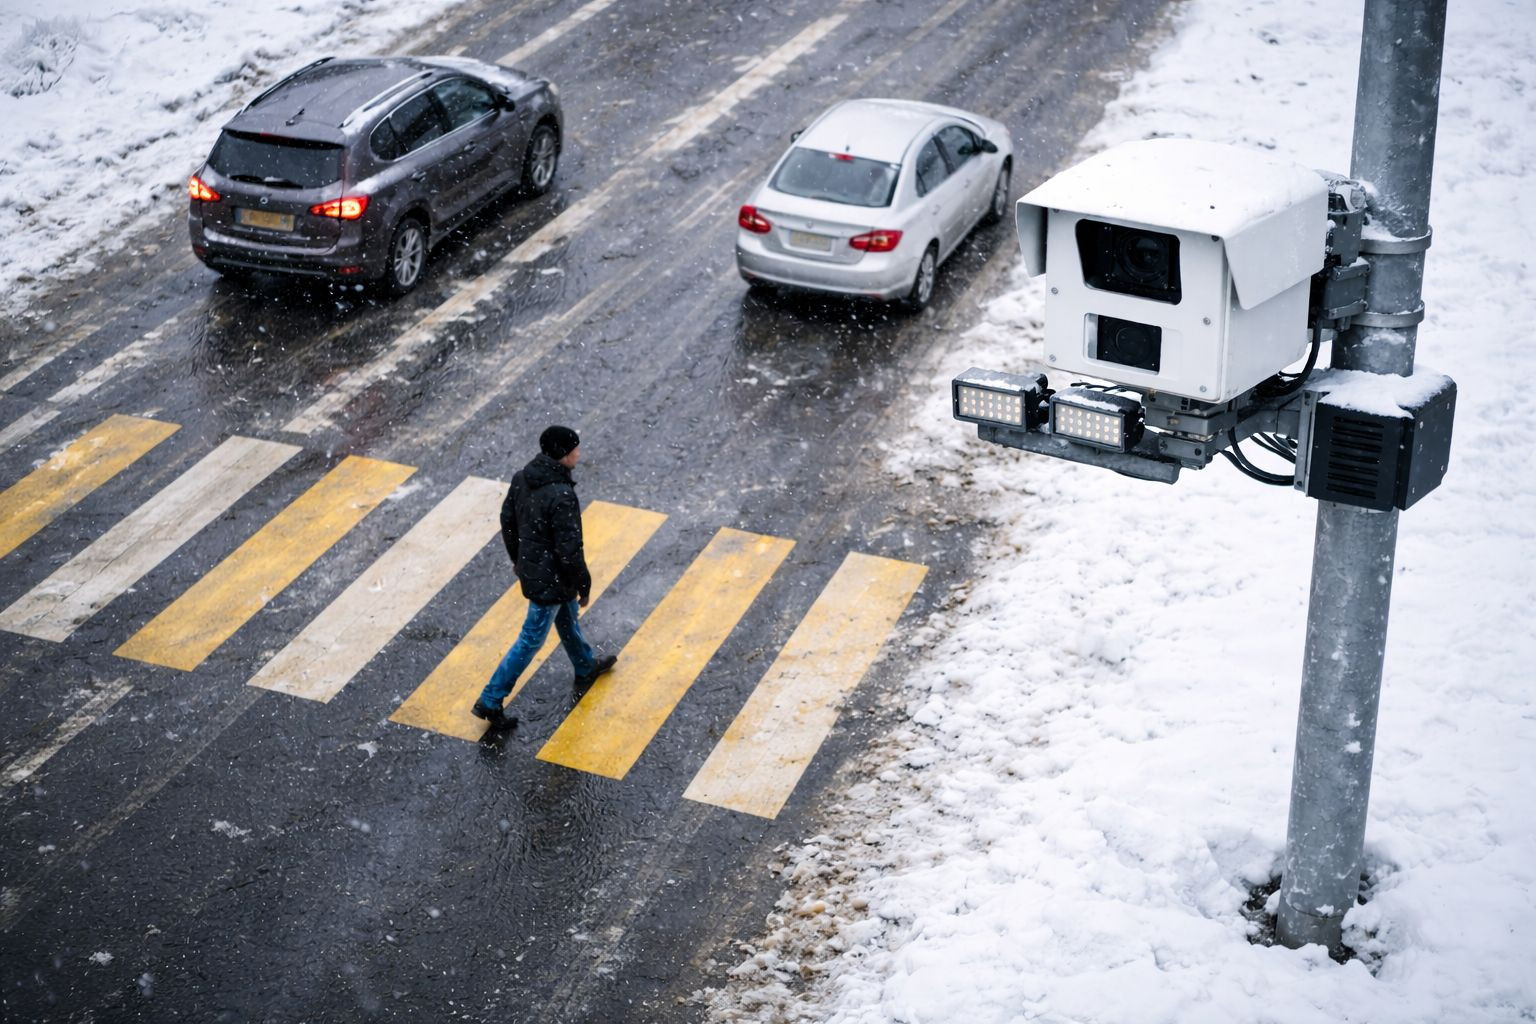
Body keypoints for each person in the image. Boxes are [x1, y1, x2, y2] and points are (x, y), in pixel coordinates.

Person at [471, 425, 617, 728]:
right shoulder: (561, 495)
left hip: (537, 570)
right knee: (530, 640)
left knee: (567, 617)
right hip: (551, 578)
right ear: (562, 455)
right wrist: (584, 583)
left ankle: (584, 665)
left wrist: (519, 560)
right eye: (574, 449)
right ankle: (490, 699)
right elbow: (570, 548)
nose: (578, 453)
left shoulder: (522, 478)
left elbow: (507, 521)